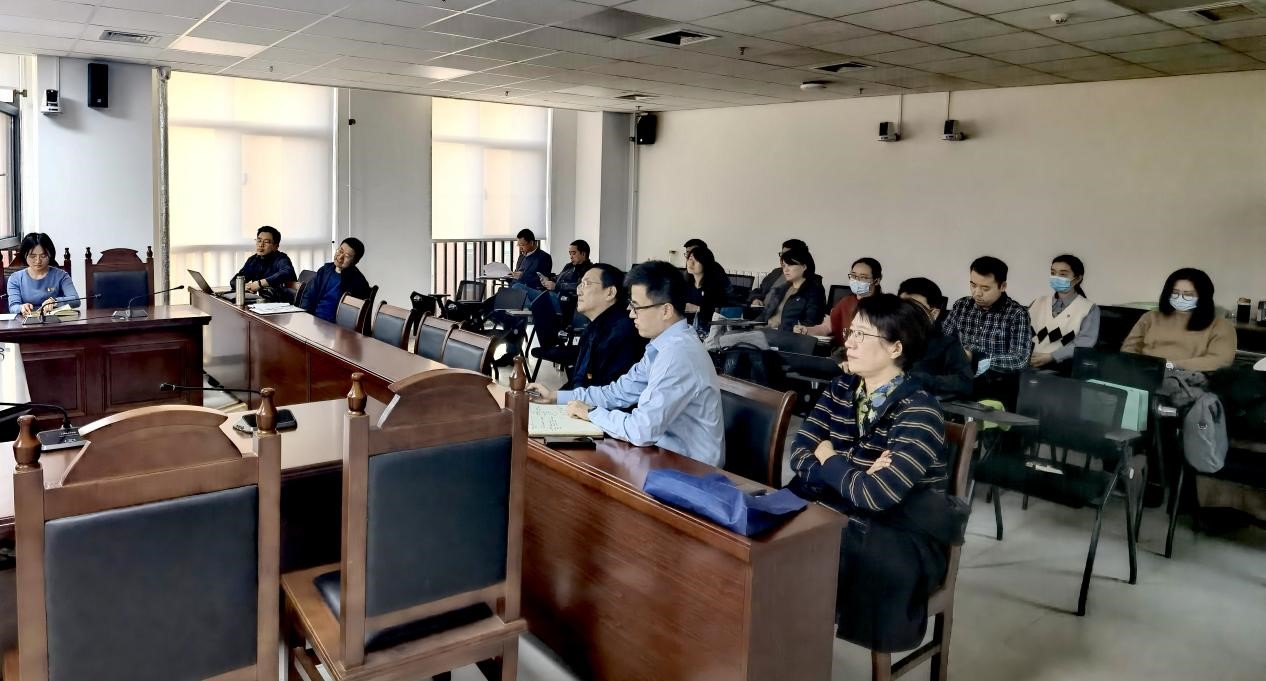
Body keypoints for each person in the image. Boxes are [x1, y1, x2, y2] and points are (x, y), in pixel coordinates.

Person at [786, 293, 952, 653]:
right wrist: (856, 470)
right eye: (851, 332)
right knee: (769, 534)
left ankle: (795, 652)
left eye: (862, 335)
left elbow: (877, 496)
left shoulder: (919, 411)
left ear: (895, 348)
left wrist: (830, 457)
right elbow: (799, 453)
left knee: (796, 557)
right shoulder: (841, 388)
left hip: (899, 532)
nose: (849, 342)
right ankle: (786, 648)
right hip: (839, 509)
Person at [526, 261, 725, 466]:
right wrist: (556, 396)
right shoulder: (662, 347)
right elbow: (618, 392)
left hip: (691, 470)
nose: (631, 314)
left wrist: (591, 412)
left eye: (637, 307)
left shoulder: (678, 354)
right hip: (661, 455)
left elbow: (642, 430)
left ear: (666, 310)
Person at [942, 256, 1031, 405]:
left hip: (995, 386)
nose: (977, 293)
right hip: (958, 381)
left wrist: (978, 358)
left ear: (1002, 286)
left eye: (985, 288)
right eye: (973, 285)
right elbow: (943, 340)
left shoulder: (1017, 314)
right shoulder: (962, 306)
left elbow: (1020, 359)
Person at [1122, 268, 1235, 371]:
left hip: (1189, 378)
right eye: (1175, 293)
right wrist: (1139, 367)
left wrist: (1172, 365)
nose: (1180, 298)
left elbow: (1220, 360)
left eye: (1188, 295)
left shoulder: (1220, 325)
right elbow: (1129, 348)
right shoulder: (1150, 317)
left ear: (1203, 297)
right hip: (1144, 373)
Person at [559, 264, 647, 390]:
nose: (578, 290)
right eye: (580, 284)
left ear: (610, 292)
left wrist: (562, 398)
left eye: (586, 284)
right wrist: (555, 396)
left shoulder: (622, 333)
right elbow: (579, 379)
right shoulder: (594, 326)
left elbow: (608, 393)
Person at [899, 277, 972, 401]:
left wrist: (919, 379)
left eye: (915, 307)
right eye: (902, 306)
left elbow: (964, 383)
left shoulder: (948, 344)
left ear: (933, 313)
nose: (906, 313)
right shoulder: (884, 337)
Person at [1029, 254, 1100, 372]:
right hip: (1027, 364)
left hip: (1062, 369)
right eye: (1053, 273)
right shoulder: (1038, 301)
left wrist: (1052, 357)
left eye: (1063, 274)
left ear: (1077, 279)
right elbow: (1021, 331)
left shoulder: (1089, 309)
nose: (1056, 277)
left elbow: (1084, 343)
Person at [796, 256, 882, 346]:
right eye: (853, 276)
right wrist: (806, 330)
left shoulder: (884, 308)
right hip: (844, 350)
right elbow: (827, 327)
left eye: (863, 277)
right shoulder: (846, 302)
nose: (856, 280)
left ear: (876, 281)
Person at [529, 239, 594, 350]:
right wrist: (547, 280)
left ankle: (549, 343)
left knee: (540, 299)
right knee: (521, 288)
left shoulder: (590, 271)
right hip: (554, 297)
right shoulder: (569, 266)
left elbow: (580, 286)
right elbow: (557, 278)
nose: (571, 256)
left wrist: (557, 286)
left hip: (566, 302)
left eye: (573, 253)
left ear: (583, 254)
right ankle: (526, 307)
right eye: (570, 253)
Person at [297, 238, 372, 323]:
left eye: (347, 256)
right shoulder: (324, 270)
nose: (340, 257)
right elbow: (309, 295)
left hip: (336, 326)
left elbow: (355, 315)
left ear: (355, 261)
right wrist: (305, 317)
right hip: (314, 320)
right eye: (340, 251)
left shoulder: (358, 281)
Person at [6, 232, 78, 315]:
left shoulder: (61, 275)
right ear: (25, 255)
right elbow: (13, 306)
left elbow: (76, 300)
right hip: (25, 321)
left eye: (43, 256)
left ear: (50, 255)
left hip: (55, 320)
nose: (38, 261)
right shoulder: (15, 278)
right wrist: (21, 307)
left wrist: (55, 301)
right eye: (32, 256)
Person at [757, 247, 825, 332]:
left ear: (804, 267)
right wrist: (750, 325)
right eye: (784, 266)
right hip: (765, 331)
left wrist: (782, 329)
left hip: (783, 335)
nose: (785, 270)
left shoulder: (814, 292)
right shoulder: (781, 289)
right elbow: (764, 315)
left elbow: (809, 324)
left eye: (790, 265)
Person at [229, 225, 296, 295]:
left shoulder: (282, 258)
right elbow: (235, 280)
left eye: (266, 242)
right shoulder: (253, 260)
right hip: (262, 300)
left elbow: (287, 272)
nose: (261, 245)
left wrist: (260, 284)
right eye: (259, 240)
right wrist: (244, 287)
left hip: (284, 300)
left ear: (276, 246)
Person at [684, 246, 729, 335]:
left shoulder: (715, 287)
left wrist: (697, 309)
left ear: (706, 263)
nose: (691, 263)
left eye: (697, 260)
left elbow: (719, 313)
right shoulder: (685, 284)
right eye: (690, 259)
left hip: (707, 331)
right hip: (687, 328)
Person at [750, 238, 807, 306]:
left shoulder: (806, 280)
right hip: (760, 309)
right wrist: (755, 299)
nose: (782, 258)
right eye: (782, 254)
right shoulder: (776, 272)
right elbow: (759, 290)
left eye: (787, 255)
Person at [507, 228, 552, 293]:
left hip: (530, 291)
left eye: (522, 245)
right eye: (518, 245)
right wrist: (509, 276)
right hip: (514, 289)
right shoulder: (521, 257)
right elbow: (516, 275)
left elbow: (543, 280)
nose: (520, 248)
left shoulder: (544, 257)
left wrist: (522, 276)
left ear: (531, 243)